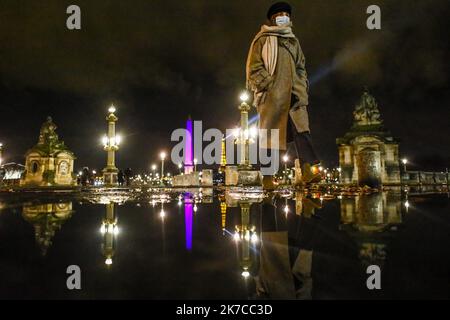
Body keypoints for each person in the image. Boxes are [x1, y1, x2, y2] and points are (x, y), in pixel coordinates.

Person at [246, 2, 321, 189]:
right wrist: (268, 86)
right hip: (273, 97)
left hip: (294, 95)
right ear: (271, 19)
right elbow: (253, 68)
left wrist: (301, 87)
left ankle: (308, 170)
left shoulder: (293, 41)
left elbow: (301, 67)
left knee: (302, 132)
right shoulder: (262, 39)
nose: (283, 16)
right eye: (279, 14)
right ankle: (268, 178)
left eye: (286, 14)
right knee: (270, 138)